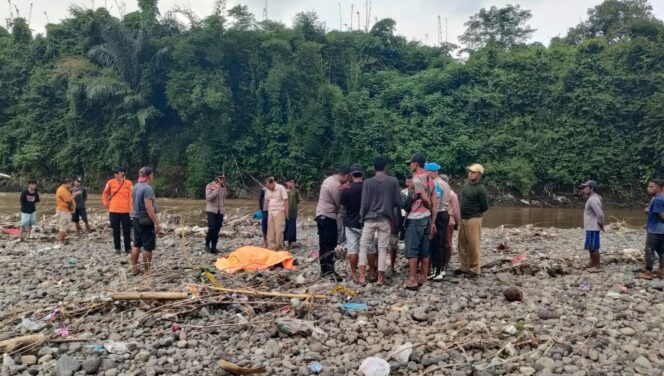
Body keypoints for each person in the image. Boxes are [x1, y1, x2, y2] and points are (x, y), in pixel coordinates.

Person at [359, 157, 402, 286]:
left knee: (363, 246)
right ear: (385, 167)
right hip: (385, 219)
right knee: (383, 248)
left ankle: (361, 276)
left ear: (374, 168)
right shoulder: (393, 181)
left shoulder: (367, 182)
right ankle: (380, 278)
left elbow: (364, 203)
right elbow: (399, 201)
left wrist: (361, 218)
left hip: (369, 219)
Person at [404, 154, 437, 290]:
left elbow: (424, 198)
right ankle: (424, 278)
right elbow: (435, 200)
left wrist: (427, 204)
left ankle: (412, 279)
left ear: (416, 164)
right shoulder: (430, 178)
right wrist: (433, 221)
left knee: (412, 250)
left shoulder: (416, 179)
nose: (409, 165)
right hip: (427, 217)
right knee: (425, 249)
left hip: (416, 218)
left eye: (410, 163)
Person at [315, 166, 350, 281]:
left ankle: (323, 269)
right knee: (330, 244)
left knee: (323, 243)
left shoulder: (328, 180)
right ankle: (330, 270)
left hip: (320, 215)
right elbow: (339, 202)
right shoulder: (334, 184)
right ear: (345, 175)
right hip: (329, 216)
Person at [458, 164, 489, 277]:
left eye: (474, 172)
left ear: (479, 174)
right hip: (464, 218)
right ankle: (464, 267)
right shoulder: (466, 183)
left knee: (473, 244)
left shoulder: (480, 189)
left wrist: (474, 211)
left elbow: (484, 207)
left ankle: (475, 269)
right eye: (470, 171)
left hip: (474, 218)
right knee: (462, 244)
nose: (470, 173)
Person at [130, 167, 161, 275]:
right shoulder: (148, 189)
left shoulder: (135, 186)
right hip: (145, 220)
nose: (153, 176)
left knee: (136, 244)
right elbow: (149, 207)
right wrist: (157, 222)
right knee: (147, 246)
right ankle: (147, 271)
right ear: (149, 176)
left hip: (135, 218)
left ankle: (134, 269)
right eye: (152, 174)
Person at [426, 163, 451, 281]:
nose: (426, 173)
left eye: (427, 171)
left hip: (439, 214)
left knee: (437, 243)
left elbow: (435, 202)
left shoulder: (436, 183)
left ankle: (438, 270)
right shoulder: (445, 183)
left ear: (434, 172)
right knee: (440, 241)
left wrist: (433, 221)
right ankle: (439, 269)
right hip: (445, 213)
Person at [341, 164, 365, 282]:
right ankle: (368, 273)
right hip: (365, 222)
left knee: (352, 250)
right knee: (368, 248)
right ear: (362, 174)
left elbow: (343, 207)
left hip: (350, 223)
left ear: (350, 175)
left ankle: (354, 273)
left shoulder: (346, 189)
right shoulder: (367, 187)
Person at [103, 166, 133, 255]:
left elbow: (131, 196)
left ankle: (128, 248)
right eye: (114, 172)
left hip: (125, 211)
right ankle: (117, 248)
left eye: (117, 172)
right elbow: (105, 193)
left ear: (122, 173)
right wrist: (105, 203)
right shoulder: (110, 182)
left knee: (127, 230)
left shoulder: (129, 183)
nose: (115, 174)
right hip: (113, 210)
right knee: (115, 230)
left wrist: (132, 208)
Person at [638, 179, 664, 279]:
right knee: (661, 251)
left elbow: (661, 215)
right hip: (662, 230)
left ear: (657, 188)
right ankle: (662, 271)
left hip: (655, 230)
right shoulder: (661, 198)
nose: (648, 188)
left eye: (651, 186)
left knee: (649, 249)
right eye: (648, 186)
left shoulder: (657, 199)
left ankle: (648, 272)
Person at [579, 180, 604, 273]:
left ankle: (597, 266)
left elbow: (600, 214)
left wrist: (601, 224)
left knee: (594, 247)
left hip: (593, 227)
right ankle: (592, 262)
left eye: (586, 187)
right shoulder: (593, 198)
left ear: (591, 188)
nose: (584, 189)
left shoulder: (593, 199)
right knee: (590, 246)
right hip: (590, 227)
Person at [441, 174, 461, 274]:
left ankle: (445, 263)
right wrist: (458, 222)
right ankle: (444, 262)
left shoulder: (450, 194)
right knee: (446, 243)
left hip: (448, 221)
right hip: (448, 221)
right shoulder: (451, 194)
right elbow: (456, 211)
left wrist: (457, 222)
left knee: (446, 243)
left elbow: (456, 210)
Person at [265, 177, 289, 250]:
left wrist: (286, 213)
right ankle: (271, 247)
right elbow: (268, 200)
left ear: (273, 183)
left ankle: (279, 247)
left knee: (279, 230)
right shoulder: (267, 190)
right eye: (267, 187)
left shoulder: (281, 188)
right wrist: (269, 211)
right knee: (270, 231)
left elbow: (286, 200)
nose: (268, 188)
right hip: (271, 212)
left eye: (269, 186)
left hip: (279, 211)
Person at [205, 173, 226, 254]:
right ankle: (207, 243)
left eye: (223, 178)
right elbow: (208, 198)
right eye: (220, 178)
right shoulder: (210, 186)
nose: (222, 180)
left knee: (217, 229)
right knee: (212, 228)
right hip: (211, 210)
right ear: (216, 178)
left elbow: (223, 199)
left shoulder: (223, 187)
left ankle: (214, 247)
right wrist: (216, 190)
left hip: (220, 211)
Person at [55, 178, 77, 244]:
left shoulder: (65, 189)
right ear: (67, 183)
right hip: (62, 210)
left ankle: (62, 239)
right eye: (70, 184)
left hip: (65, 210)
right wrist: (74, 195)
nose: (71, 185)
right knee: (63, 225)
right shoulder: (62, 190)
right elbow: (68, 200)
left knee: (64, 225)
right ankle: (62, 241)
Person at [284, 179, 300, 248]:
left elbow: (298, 200)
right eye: (289, 182)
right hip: (284, 212)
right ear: (286, 183)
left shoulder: (296, 191)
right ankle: (282, 241)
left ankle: (290, 243)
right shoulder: (283, 191)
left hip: (293, 212)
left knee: (292, 227)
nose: (291, 184)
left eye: (292, 182)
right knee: (284, 226)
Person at [258, 177, 273, 248]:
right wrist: (261, 208)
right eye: (267, 182)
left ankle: (271, 241)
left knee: (272, 226)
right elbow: (260, 199)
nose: (268, 184)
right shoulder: (263, 190)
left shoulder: (274, 189)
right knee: (264, 225)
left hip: (273, 210)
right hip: (265, 210)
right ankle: (265, 241)